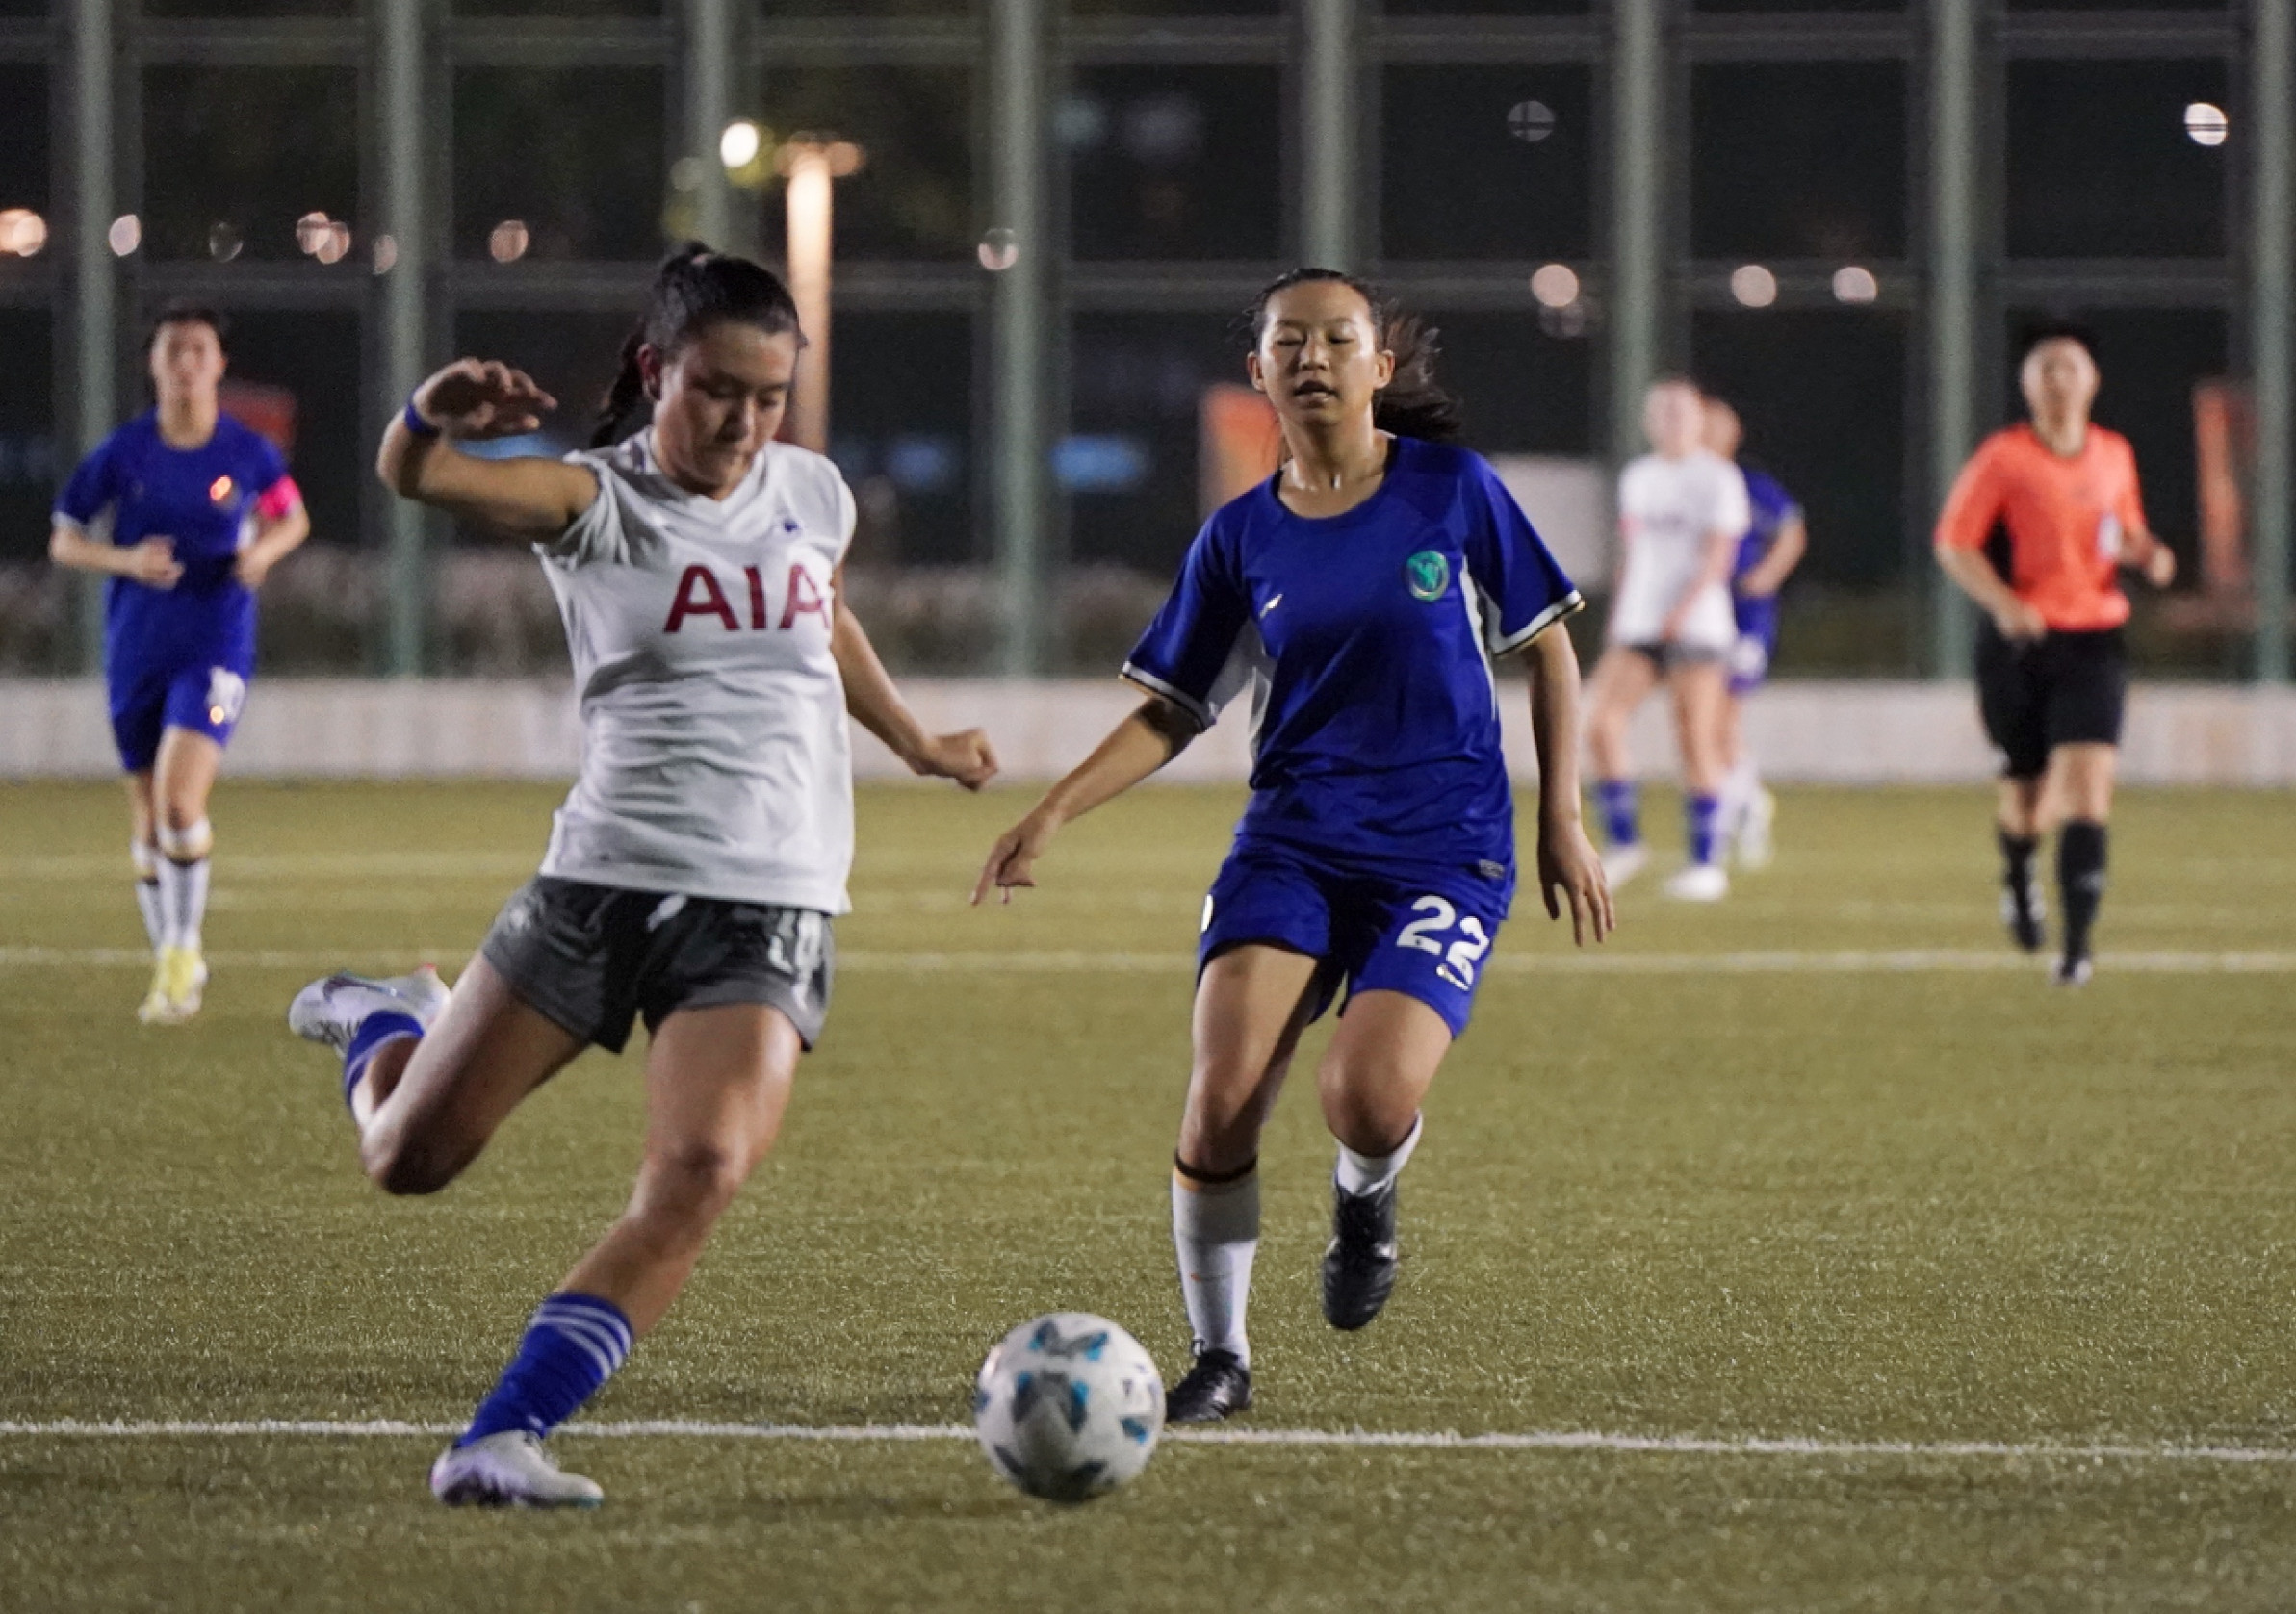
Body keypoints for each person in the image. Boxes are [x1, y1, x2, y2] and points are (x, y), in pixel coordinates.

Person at [282, 245, 997, 1506]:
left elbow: (823, 614)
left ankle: (501, 1437)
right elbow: (419, 477)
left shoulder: (812, 492)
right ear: (658, 371)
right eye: (718, 390)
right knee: (406, 1157)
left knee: (700, 1172)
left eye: (769, 397)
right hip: (599, 884)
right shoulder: (593, 500)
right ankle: (386, 1018)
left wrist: (917, 741)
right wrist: (430, 416)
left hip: (768, 901)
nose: (744, 422)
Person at [972, 269, 1612, 1423]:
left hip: (1444, 850)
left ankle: (1366, 1197)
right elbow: (1173, 708)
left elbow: (1550, 649)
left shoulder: (1454, 491)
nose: (1313, 357)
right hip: (1294, 844)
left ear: (1379, 366)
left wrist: (1560, 817)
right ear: (1258, 370)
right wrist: (1052, 811)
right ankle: (1220, 1359)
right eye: (1289, 342)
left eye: (1337, 339)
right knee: (1220, 1098)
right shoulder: (1239, 537)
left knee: (1363, 1097)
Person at [48, 304, 310, 1024]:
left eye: (200, 350)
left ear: (219, 364)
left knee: (178, 803)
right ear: (154, 364)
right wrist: (126, 559)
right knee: (145, 817)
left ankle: (184, 947)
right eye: (174, 350)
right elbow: (64, 538)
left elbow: (291, 516)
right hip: (136, 644)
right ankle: (171, 961)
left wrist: (261, 552)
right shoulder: (124, 453)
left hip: (215, 643)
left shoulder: (248, 452)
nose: (187, 362)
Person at [1933, 320, 2174, 986]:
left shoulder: (2114, 454)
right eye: (2046, 368)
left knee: (2088, 790)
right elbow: (1954, 543)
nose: (2059, 380)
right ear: (2027, 384)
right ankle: (2017, 872)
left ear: (2092, 380)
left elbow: (2122, 531)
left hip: (2093, 637)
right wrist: (2004, 602)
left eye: (2070, 367)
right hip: (2021, 644)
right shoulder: (2003, 458)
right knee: (2028, 802)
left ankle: (2077, 949)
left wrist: (2148, 554)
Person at [1584, 378, 1751, 902]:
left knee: (1695, 737)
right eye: (1662, 411)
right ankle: (1625, 841)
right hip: (1639, 624)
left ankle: (1706, 864)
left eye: (1681, 411)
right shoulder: (1639, 476)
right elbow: (1633, 554)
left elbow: (1719, 556)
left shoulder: (1717, 477)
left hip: (1696, 626)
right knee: (1599, 724)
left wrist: (1680, 612)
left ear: (1700, 419)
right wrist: (1620, 615)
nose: (1671, 420)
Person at [1700, 397, 1807, 869]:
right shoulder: (1689, 484)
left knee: (1721, 719)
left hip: (1746, 619)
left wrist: (1768, 574)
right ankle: (1745, 802)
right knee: (1709, 724)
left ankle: (1738, 809)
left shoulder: (1750, 485)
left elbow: (1792, 530)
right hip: (1704, 617)